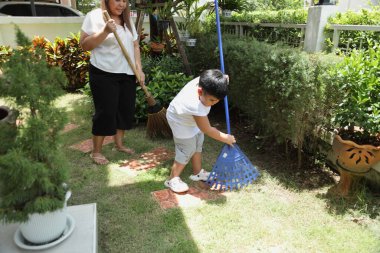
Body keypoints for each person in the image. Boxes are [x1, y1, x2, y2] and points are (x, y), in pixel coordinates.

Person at [80, 0, 145, 165]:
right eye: (118, 0)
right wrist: (104, 31)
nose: (122, 4)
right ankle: (96, 152)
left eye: (125, 0)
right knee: (106, 112)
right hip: (104, 72)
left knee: (124, 110)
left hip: (127, 73)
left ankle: (119, 144)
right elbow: (85, 45)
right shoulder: (94, 16)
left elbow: (135, 44)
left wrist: (139, 68)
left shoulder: (127, 19)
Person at [165, 69, 236, 193]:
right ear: (200, 91)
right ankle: (172, 179)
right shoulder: (195, 105)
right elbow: (207, 129)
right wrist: (225, 137)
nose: (214, 103)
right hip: (179, 120)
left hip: (191, 119)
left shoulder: (205, 82)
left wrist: (224, 78)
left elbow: (220, 77)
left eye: (217, 101)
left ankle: (197, 173)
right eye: (212, 100)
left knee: (198, 142)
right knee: (187, 149)